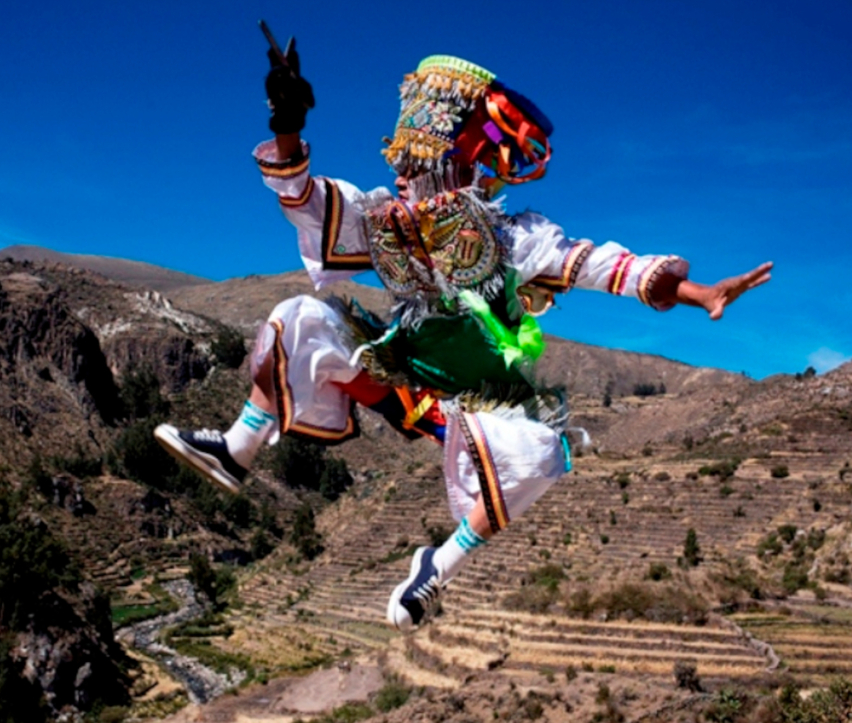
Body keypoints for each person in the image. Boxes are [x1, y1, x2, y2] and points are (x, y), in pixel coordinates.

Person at [156, 46, 772, 632]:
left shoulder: (511, 238)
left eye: (415, 164)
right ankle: (237, 448)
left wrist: (703, 293)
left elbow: (606, 267)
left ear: (453, 163)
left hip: (478, 398)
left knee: (541, 452)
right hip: (399, 372)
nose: (401, 175)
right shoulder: (379, 218)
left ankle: (436, 567)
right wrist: (286, 124)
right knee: (298, 317)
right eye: (400, 163)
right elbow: (304, 201)